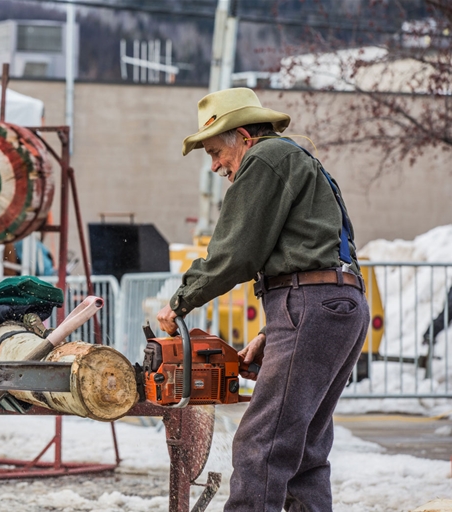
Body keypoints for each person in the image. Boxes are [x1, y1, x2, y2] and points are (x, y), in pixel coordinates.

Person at [156, 88, 370, 512]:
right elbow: (317, 252)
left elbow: (236, 253)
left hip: (313, 304)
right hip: (338, 303)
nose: (215, 165)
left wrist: (181, 301)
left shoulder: (264, 159)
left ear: (243, 137)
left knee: (261, 444)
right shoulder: (296, 159)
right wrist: (274, 330)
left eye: (216, 152)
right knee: (304, 450)